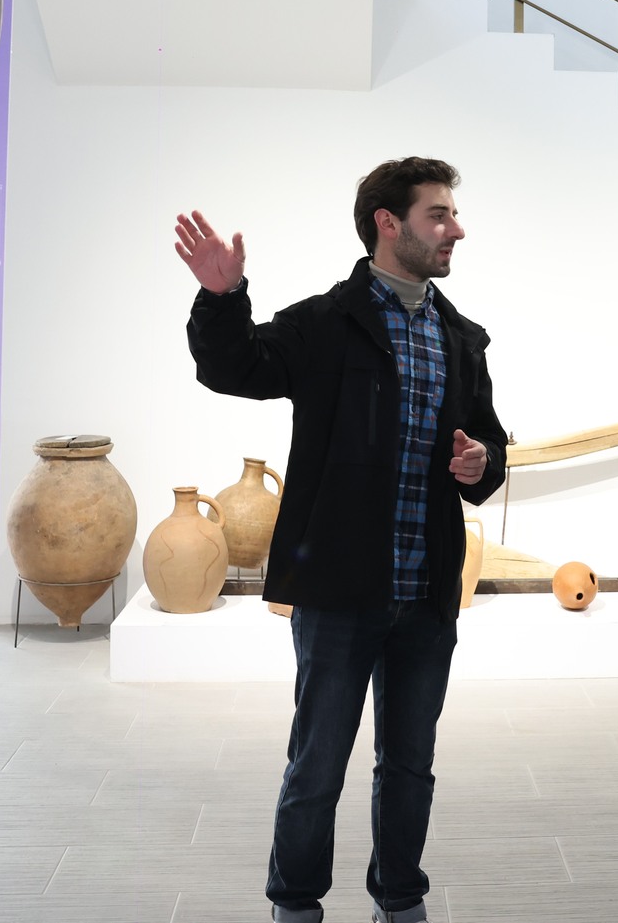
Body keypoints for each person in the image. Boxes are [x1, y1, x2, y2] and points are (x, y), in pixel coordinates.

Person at [176, 157, 507, 923]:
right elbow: (233, 365)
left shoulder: (461, 337)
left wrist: (482, 461)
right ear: (389, 223)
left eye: (453, 214)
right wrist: (222, 297)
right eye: (438, 214)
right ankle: (296, 903)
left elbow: (488, 442)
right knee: (318, 765)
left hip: (426, 595)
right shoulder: (326, 324)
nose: (456, 229)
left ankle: (400, 897)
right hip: (337, 594)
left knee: (411, 765)